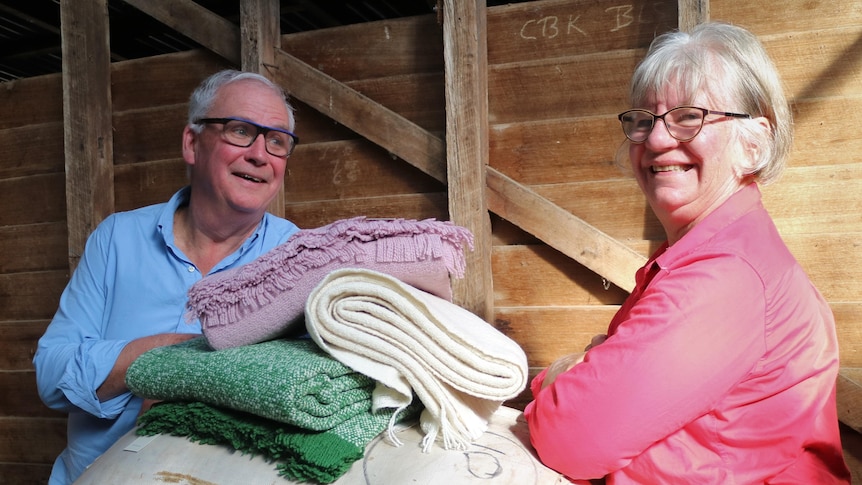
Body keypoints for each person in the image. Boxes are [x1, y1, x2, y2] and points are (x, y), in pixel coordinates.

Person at [525, 22, 851, 484]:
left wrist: (560, 374)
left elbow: (569, 438)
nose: (656, 140)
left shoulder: (727, 277)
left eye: (688, 116)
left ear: (753, 143)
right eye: (644, 120)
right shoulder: (713, 252)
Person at [33, 69, 302, 485]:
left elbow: (306, 391)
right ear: (192, 143)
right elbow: (51, 376)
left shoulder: (299, 259)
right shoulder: (116, 238)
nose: (260, 154)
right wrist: (161, 360)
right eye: (240, 130)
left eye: (277, 140)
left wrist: (187, 381)